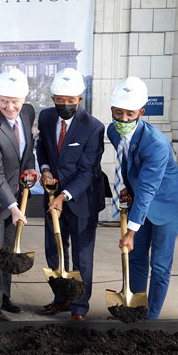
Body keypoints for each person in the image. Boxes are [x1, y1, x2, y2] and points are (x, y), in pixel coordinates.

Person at [107, 76, 178, 320]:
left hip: (168, 203)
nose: (123, 119)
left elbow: (148, 188)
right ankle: (134, 310)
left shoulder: (156, 144)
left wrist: (130, 232)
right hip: (141, 198)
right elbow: (128, 161)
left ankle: (150, 318)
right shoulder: (113, 131)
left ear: (141, 112)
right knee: (136, 258)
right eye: (118, 112)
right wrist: (127, 187)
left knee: (160, 266)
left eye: (130, 114)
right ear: (112, 109)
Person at [36, 68, 105, 321]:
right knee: (54, 250)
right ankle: (61, 299)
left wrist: (63, 196)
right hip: (52, 196)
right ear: (53, 97)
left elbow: (88, 171)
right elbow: (42, 147)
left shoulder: (94, 127)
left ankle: (79, 307)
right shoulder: (45, 117)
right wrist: (44, 170)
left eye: (70, 100)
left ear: (80, 99)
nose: (65, 105)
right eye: (60, 100)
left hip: (81, 201)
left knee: (81, 258)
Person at [0, 69, 39, 321]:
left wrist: (31, 165)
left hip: (16, 196)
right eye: (4, 101)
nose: (10, 108)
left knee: (9, 251)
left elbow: (28, 148)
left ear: (24, 99)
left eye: (15, 102)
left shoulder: (28, 112)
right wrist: (12, 206)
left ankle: (3, 296)